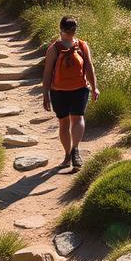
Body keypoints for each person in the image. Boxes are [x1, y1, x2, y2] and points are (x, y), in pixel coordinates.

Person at [42, 16, 99, 169]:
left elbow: (47, 74)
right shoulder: (78, 46)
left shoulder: (55, 48)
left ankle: (71, 153)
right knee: (73, 119)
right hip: (73, 89)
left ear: (60, 29)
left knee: (67, 122)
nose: (71, 32)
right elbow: (89, 68)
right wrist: (95, 87)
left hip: (64, 90)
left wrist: (45, 94)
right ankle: (72, 152)